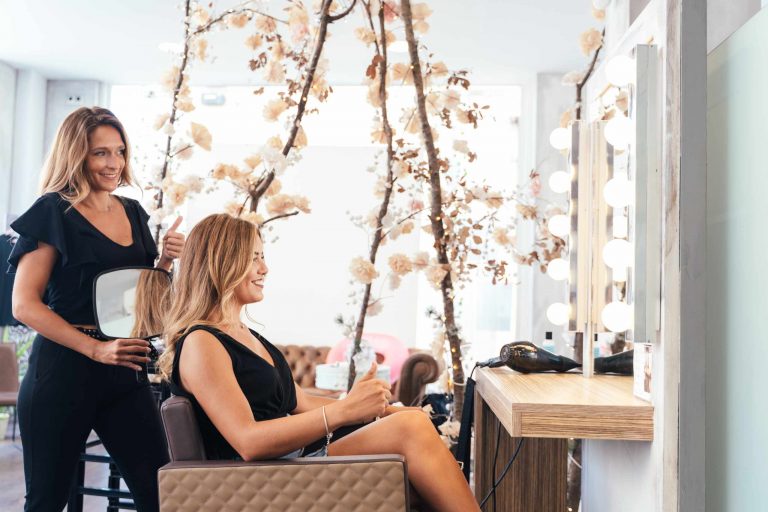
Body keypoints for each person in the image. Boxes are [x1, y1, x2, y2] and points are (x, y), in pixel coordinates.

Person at [158, 214, 480, 512]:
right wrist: (345, 410)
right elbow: (248, 441)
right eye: (253, 257)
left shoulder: (245, 335)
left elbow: (302, 402)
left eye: (262, 256)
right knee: (409, 429)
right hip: (259, 480)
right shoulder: (202, 343)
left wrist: (378, 410)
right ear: (222, 262)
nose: (264, 268)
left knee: (410, 420)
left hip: (287, 464)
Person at [9, 107, 185, 512]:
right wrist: (96, 349)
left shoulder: (133, 212)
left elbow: (140, 302)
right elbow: (24, 305)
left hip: (125, 372)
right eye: (100, 153)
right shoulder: (52, 212)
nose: (114, 163)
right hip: (61, 373)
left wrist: (165, 264)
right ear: (76, 155)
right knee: (46, 501)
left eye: (119, 152)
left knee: (162, 495)